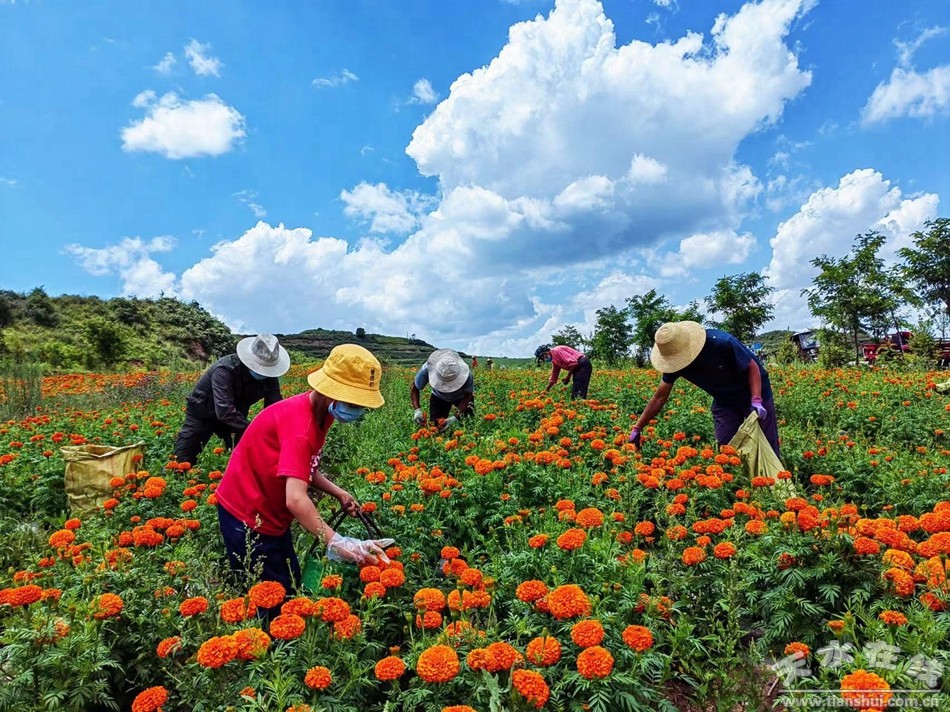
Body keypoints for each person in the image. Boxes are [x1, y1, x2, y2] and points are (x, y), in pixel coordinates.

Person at [215, 344, 391, 611]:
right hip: (247, 514)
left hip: (269, 511)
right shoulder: (301, 427)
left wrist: (338, 492)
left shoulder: (320, 413)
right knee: (270, 600)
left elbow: (302, 466)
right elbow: (296, 499)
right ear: (332, 392)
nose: (356, 411)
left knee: (290, 581)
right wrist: (336, 541)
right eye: (353, 403)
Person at [628, 321, 780, 456]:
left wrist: (757, 400)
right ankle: (736, 480)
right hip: (724, 400)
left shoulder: (721, 343)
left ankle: (775, 481)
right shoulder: (675, 361)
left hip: (754, 390)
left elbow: (752, 368)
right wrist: (638, 427)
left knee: (767, 445)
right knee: (726, 448)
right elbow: (659, 397)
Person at [173, 333, 290, 466]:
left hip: (235, 418)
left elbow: (274, 408)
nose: (262, 373)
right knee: (182, 461)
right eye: (260, 368)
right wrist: (255, 430)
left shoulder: (269, 376)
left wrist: (279, 435)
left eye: (266, 370)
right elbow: (224, 410)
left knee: (247, 458)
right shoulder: (225, 369)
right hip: (203, 413)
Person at [411, 349, 475, 431]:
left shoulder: (467, 375)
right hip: (439, 397)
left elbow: (468, 395)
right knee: (436, 428)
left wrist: (455, 417)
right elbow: (414, 388)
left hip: (461, 397)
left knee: (468, 424)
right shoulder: (427, 369)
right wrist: (417, 410)